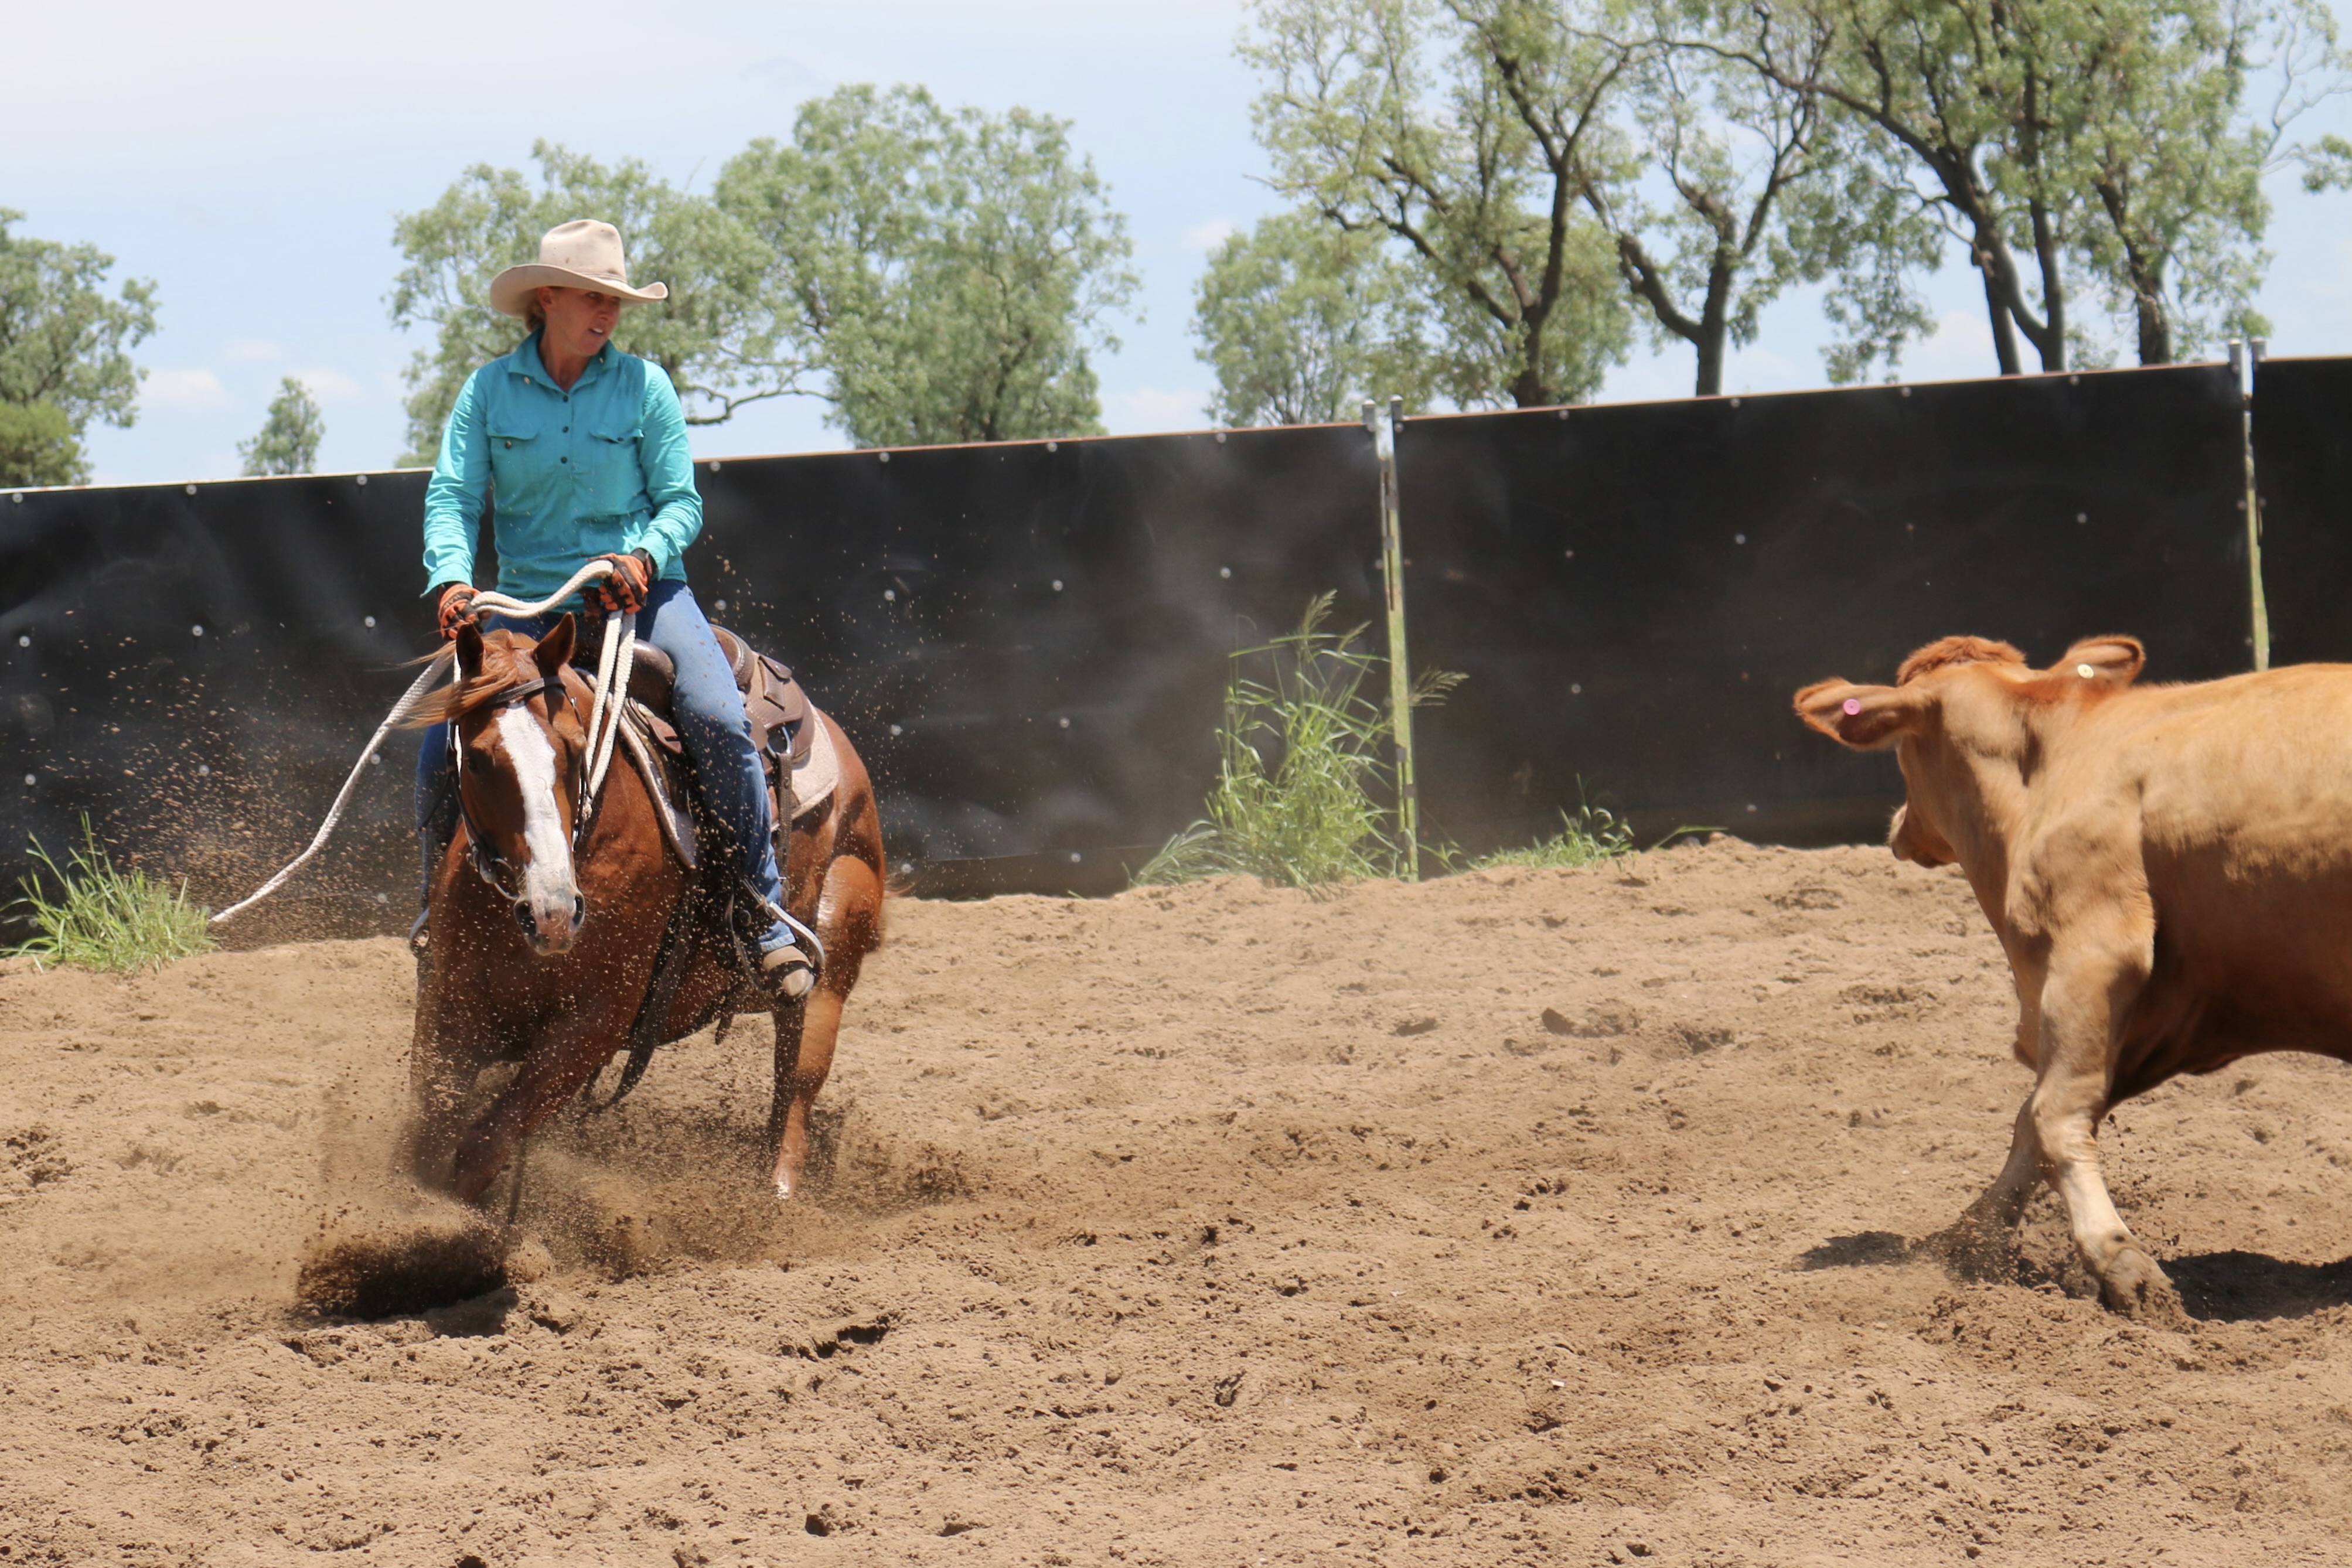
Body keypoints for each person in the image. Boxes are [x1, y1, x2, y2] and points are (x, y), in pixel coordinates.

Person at [414, 218, 810, 997]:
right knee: (440, 745)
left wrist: (644, 556)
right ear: (548, 298)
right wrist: (453, 580)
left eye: (615, 300)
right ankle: (438, 907)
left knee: (716, 717)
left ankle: (759, 910)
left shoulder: (645, 386)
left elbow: (681, 503)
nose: (608, 313)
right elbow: (452, 498)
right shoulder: (487, 391)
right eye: (593, 297)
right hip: (526, 603)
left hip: (641, 594)